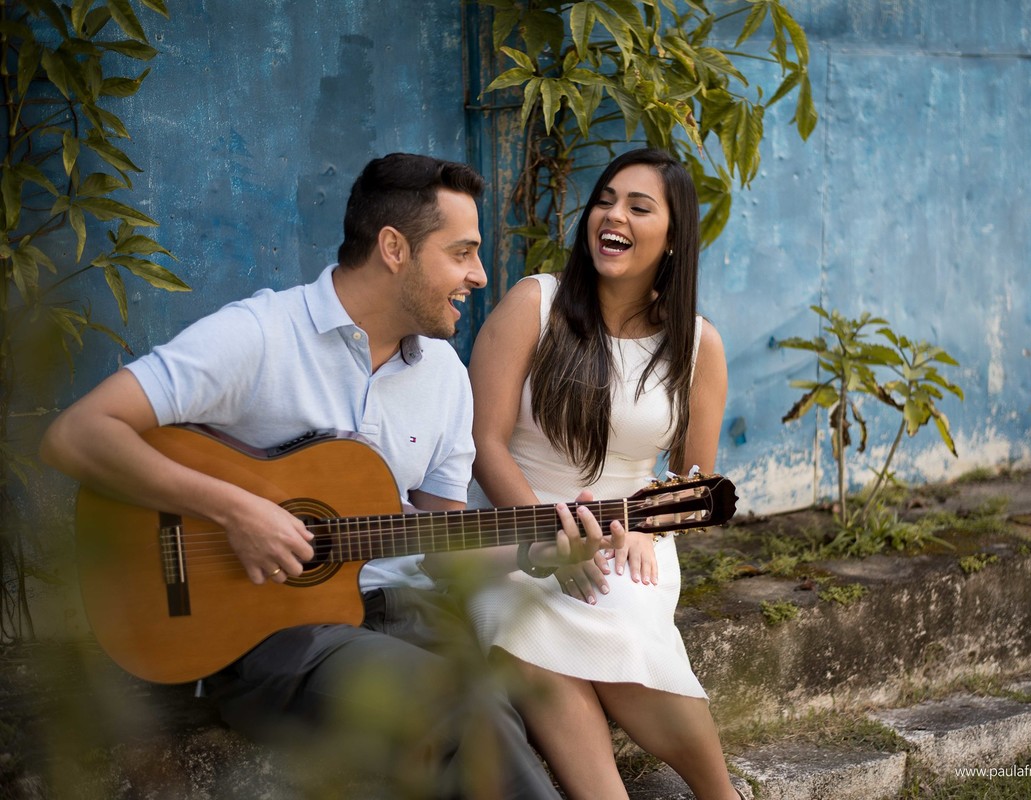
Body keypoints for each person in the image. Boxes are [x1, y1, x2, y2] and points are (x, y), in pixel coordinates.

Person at [39, 152, 621, 799]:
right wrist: (235, 509)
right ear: (395, 248)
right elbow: (79, 435)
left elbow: (442, 534)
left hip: (401, 616)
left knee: (523, 691)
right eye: (462, 253)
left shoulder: (445, 378)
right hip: (279, 635)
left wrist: (538, 549)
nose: (480, 276)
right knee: (471, 717)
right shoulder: (259, 337)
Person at [466, 148, 738, 799]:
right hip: (513, 524)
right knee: (526, 620)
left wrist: (651, 525)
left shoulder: (697, 343)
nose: (612, 215)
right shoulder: (536, 302)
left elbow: (694, 479)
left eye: (638, 207)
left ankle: (719, 793)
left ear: (674, 240)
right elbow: (483, 441)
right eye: (606, 199)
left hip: (629, 536)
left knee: (620, 610)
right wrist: (543, 534)